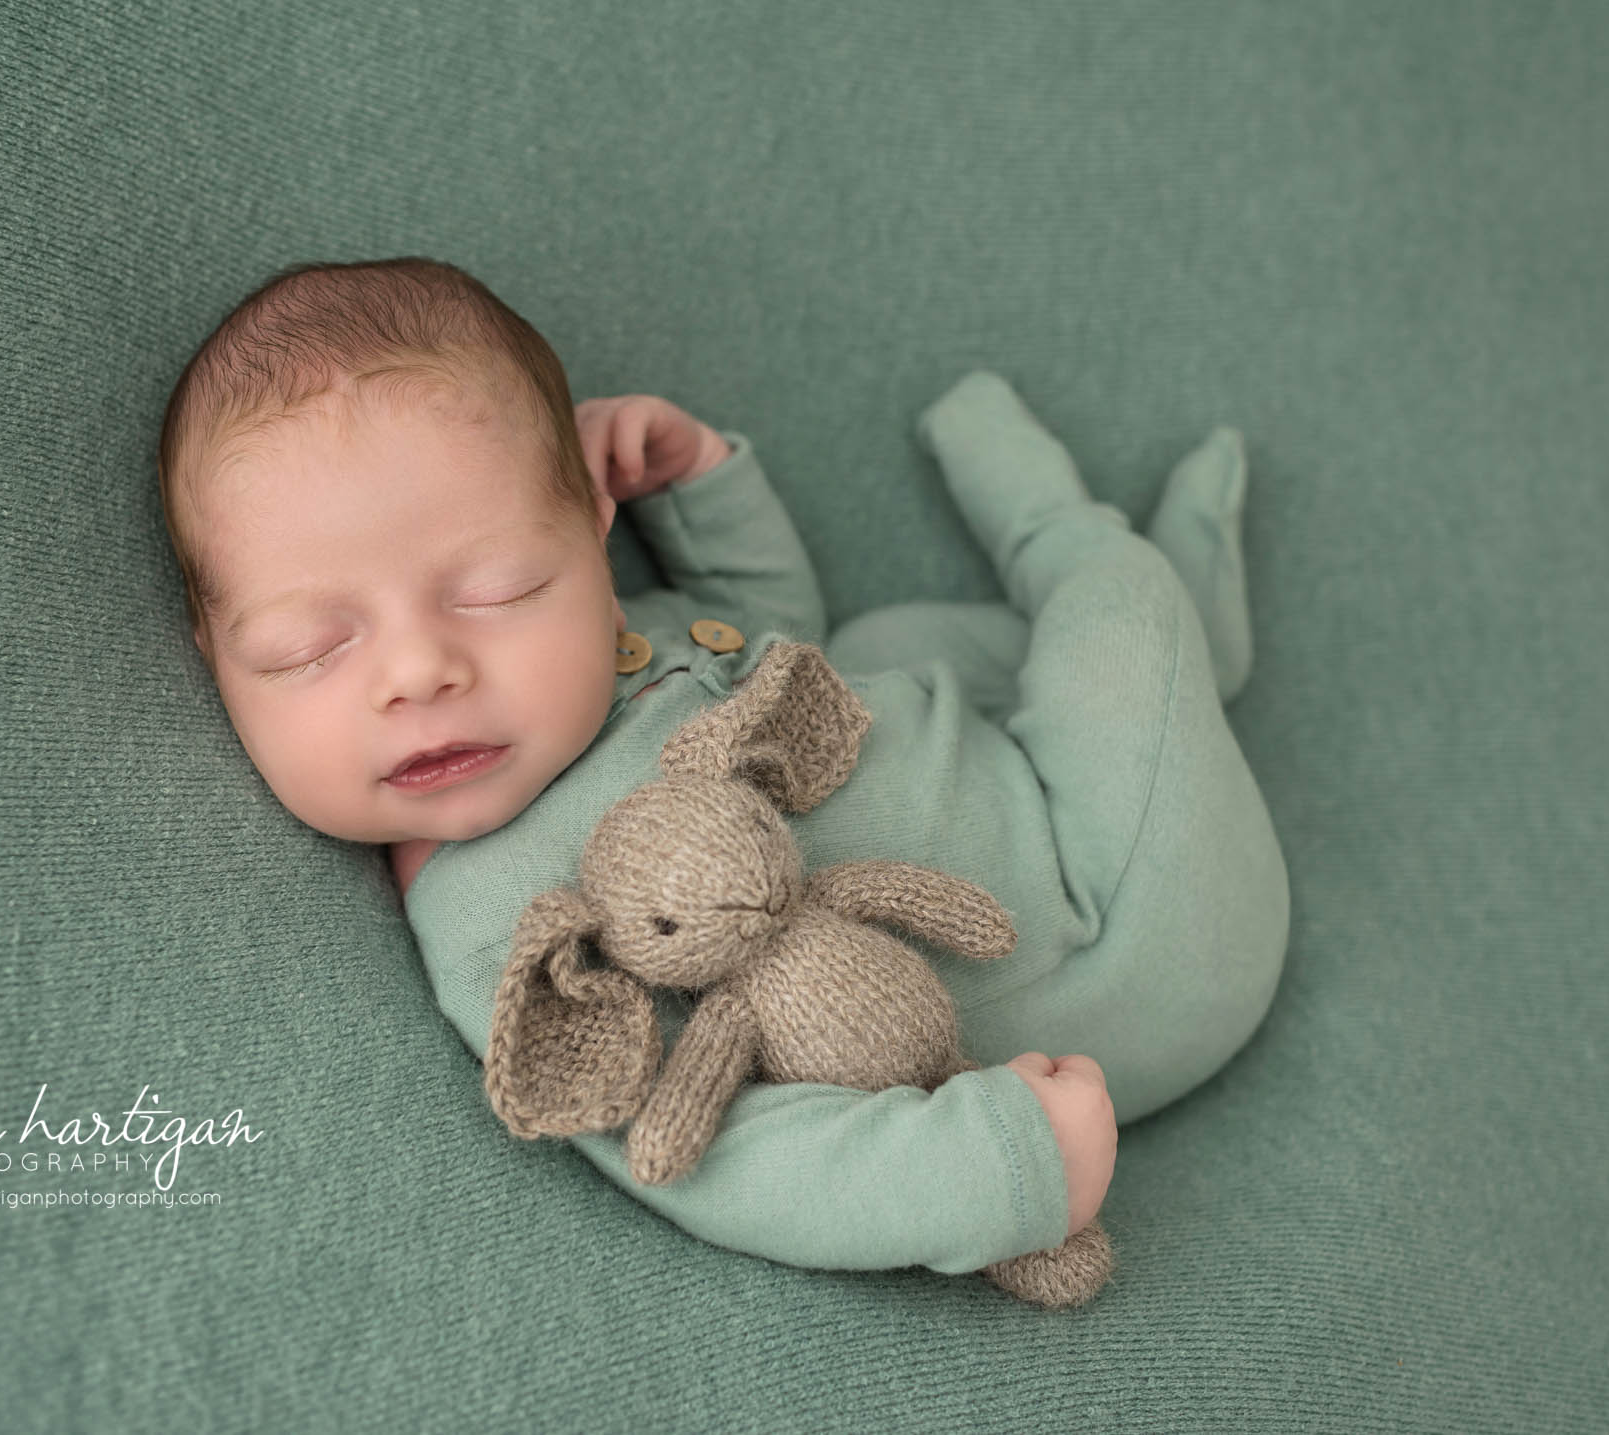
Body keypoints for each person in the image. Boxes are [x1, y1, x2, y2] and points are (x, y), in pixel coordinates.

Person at [155, 255, 1289, 1277]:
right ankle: (1081, 549)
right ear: (214, 661)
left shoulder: (617, 643)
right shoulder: (502, 925)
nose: (418, 670)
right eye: (309, 648)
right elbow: (716, 1154)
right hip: (1117, 937)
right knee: (1119, 611)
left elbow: (771, 634)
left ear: (596, 538)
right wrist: (997, 1172)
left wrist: (696, 486)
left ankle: (1183, 654)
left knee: (875, 652)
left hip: (1024, 795)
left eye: (498, 589)